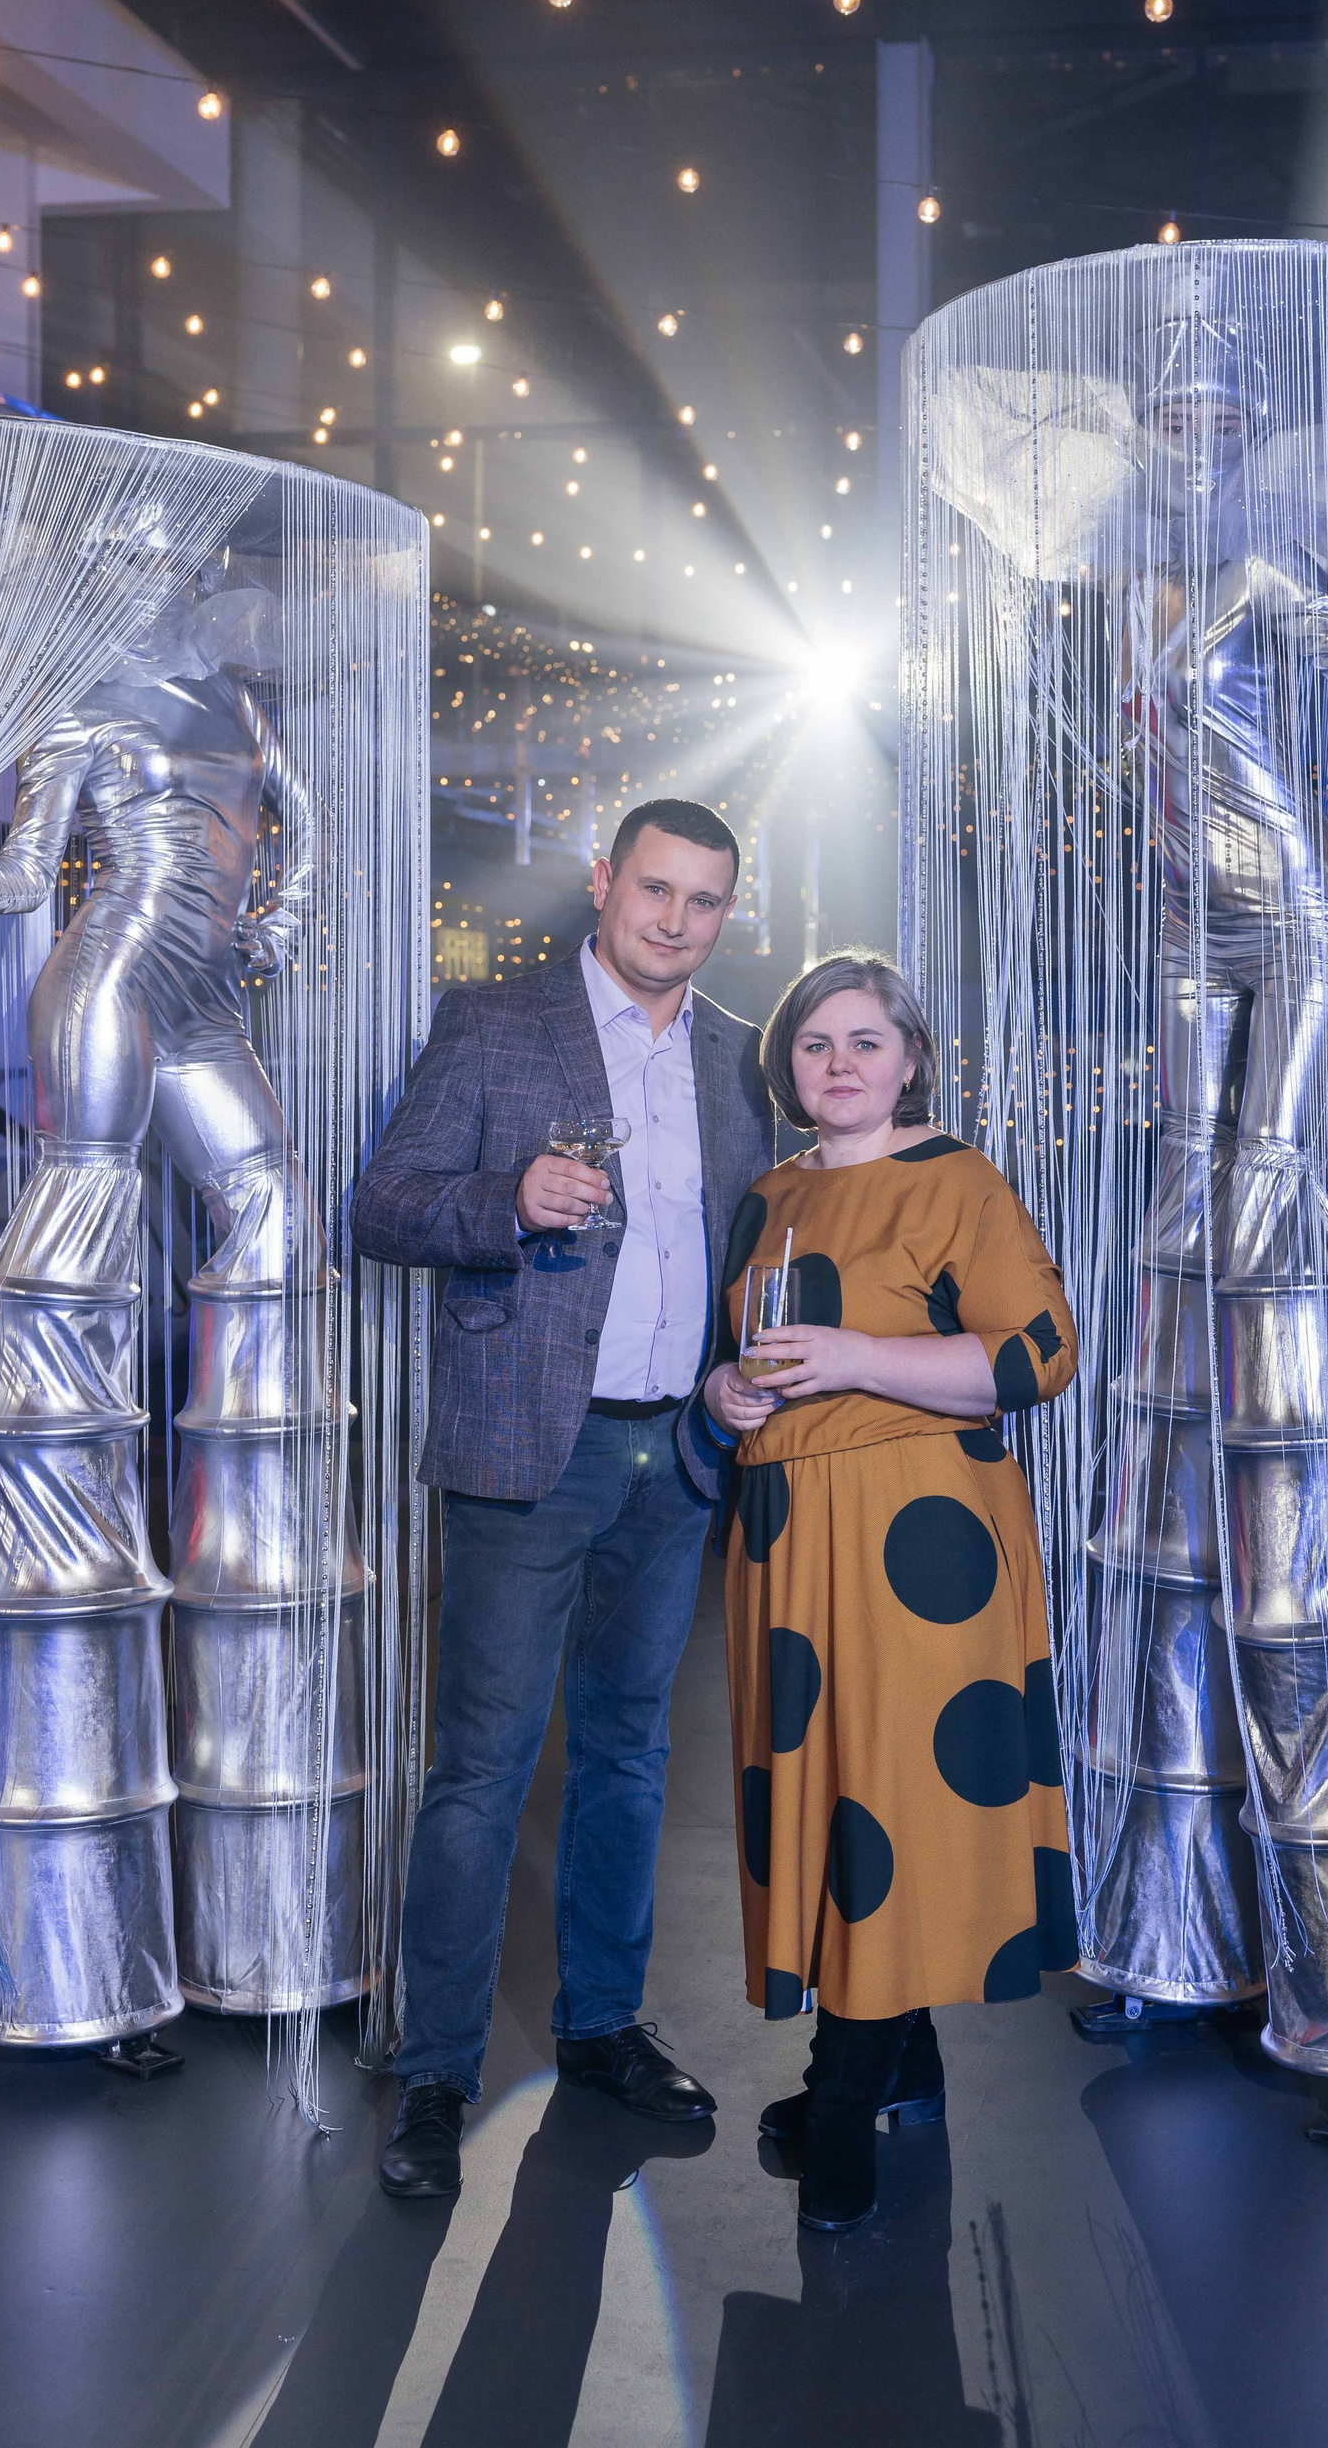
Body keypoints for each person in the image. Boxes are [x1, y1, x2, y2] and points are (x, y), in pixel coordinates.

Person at [353, 798, 775, 2200]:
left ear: (724, 913)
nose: (675, 920)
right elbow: (383, 1204)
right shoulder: (495, 1024)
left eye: (703, 900)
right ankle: (436, 2072)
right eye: (655, 888)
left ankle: (600, 2024)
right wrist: (505, 1197)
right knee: (482, 1767)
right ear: (604, 881)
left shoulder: (738, 1054)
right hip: (530, 1448)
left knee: (632, 1752)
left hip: (677, 1451)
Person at [702, 950, 1077, 2234]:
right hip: (787, 1542)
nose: (842, 1063)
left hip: (921, 1542)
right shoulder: (770, 1193)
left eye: (867, 1040)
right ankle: (905, 2065)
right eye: (817, 1043)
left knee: (892, 1803)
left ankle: (841, 2104)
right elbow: (739, 1365)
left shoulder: (956, 1181)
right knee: (831, 1796)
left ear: (911, 1057)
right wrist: (725, 1391)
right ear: (787, 1063)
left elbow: (1040, 1355)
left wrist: (859, 1353)